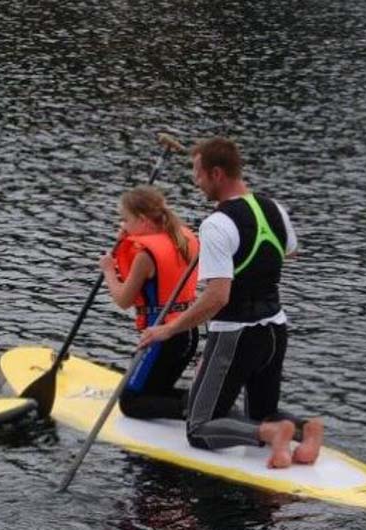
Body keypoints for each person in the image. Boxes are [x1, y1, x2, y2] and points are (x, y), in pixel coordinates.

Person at [137, 137, 324, 468]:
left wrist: (168, 329)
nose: (196, 182)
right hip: (275, 328)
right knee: (260, 410)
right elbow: (288, 250)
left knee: (198, 427)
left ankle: (270, 434)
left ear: (217, 174)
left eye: (198, 174)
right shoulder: (273, 208)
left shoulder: (217, 224)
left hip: (236, 335)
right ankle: (304, 429)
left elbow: (217, 297)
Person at [99, 186, 200, 420]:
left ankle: (198, 410)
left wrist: (108, 270)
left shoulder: (145, 255)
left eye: (126, 220)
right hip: (188, 331)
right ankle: (207, 403)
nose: (123, 226)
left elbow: (123, 299)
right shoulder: (181, 238)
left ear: (143, 220)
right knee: (157, 391)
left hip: (162, 336)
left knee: (131, 402)